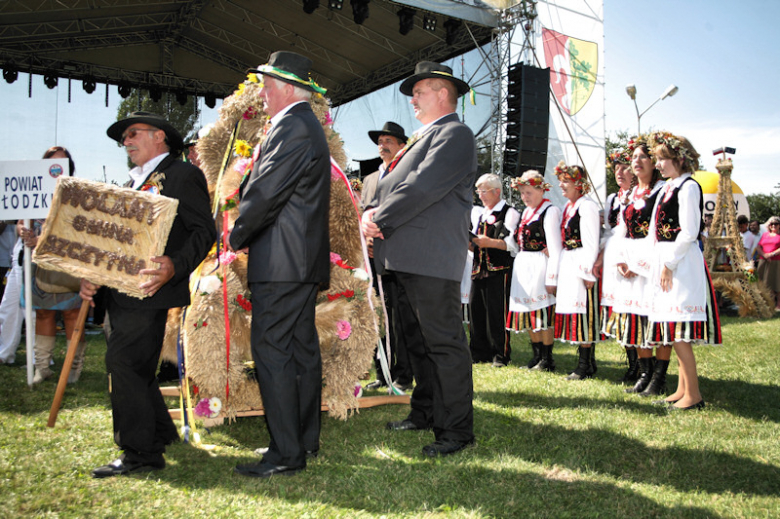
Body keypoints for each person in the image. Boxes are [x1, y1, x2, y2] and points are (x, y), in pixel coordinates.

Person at [80, 111, 215, 477]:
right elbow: (116, 242)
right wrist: (94, 276)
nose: (126, 140)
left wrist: (173, 264)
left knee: (123, 364)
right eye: (124, 136)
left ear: (160, 137)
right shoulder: (131, 184)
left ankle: (141, 453)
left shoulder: (183, 175)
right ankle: (159, 431)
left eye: (134, 133)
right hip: (119, 293)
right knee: (133, 365)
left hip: (149, 291)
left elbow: (204, 232)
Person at [362, 61, 476, 457]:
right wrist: (372, 212)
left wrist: (380, 218)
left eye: (420, 90)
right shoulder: (423, 137)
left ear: (444, 93)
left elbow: (421, 186)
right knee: (420, 343)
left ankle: (456, 429)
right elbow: (394, 185)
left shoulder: (455, 134)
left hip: (429, 258)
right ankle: (425, 412)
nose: (413, 97)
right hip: (405, 257)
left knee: (443, 344)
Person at [228, 51, 331, 478]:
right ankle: (302, 438)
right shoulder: (303, 125)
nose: (263, 95)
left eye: (267, 87)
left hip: (282, 262)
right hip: (298, 261)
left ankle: (286, 453)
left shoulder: (293, 126)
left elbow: (266, 192)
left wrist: (234, 235)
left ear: (288, 88)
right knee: (300, 349)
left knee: (271, 351)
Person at [645, 131, 721, 410]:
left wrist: (668, 264)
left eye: (663, 159)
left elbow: (689, 231)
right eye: (658, 158)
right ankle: (682, 388)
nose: (659, 164)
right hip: (667, 259)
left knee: (679, 332)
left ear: (679, 159)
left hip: (681, 262)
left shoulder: (688, 187)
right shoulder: (668, 187)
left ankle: (695, 395)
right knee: (673, 329)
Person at [20, 146, 86, 384]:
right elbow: (20, 220)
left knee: (72, 313)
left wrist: (44, 240)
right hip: (37, 261)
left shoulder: (77, 193)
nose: (56, 168)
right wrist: (24, 232)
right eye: (51, 163)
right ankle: (41, 367)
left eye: (62, 163)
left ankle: (73, 367)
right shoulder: (33, 187)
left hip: (67, 260)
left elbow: (78, 229)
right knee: (43, 313)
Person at [362, 121, 415, 392]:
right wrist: (367, 236)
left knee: (400, 316)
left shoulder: (408, 174)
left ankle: (404, 374)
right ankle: (382, 371)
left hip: (398, 256)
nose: (383, 146)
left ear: (402, 146)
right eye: (380, 142)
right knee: (377, 315)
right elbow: (363, 212)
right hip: (372, 259)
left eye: (389, 142)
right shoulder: (370, 178)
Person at [614, 138, 669, 396]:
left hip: (652, 261)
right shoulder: (630, 194)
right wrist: (621, 259)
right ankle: (644, 373)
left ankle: (659, 377)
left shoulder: (662, 191)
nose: (636, 161)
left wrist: (639, 263)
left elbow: (658, 232)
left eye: (643, 157)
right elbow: (621, 230)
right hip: (630, 260)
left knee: (656, 319)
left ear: (654, 163)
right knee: (637, 319)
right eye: (634, 157)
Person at [505, 170, 561, 371]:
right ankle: (536, 355)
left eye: (528, 192)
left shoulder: (550, 210)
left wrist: (552, 277)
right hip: (525, 263)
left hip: (540, 264)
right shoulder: (526, 212)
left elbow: (555, 247)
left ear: (540, 190)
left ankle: (547, 358)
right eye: (522, 193)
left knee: (542, 311)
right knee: (528, 311)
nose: (524, 197)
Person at [553, 162, 602, 380]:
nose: (562, 185)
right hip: (570, 261)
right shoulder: (569, 207)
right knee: (576, 309)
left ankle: (584, 364)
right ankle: (587, 362)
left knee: (585, 312)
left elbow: (591, 241)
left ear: (579, 184)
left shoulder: (586, 206)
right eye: (561, 180)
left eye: (567, 181)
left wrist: (588, 272)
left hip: (582, 260)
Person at [469, 174, 520, 367]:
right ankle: (478, 352)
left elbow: (512, 245)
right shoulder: (479, 213)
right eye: (478, 191)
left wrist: (488, 242)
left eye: (484, 191)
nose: (480, 195)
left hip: (499, 269)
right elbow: (475, 241)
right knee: (476, 310)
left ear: (497, 191)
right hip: (478, 268)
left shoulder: (509, 213)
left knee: (497, 313)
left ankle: (500, 354)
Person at [597, 147, 636, 381]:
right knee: (620, 309)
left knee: (635, 308)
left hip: (634, 254)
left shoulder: (642, 196)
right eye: (616, 169)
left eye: (624, 168)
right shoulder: (613, 199)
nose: (619, 173)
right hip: (614, 257)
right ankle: (631, 362)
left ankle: (645, 364)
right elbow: (609, 232)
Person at [0, 222, 26, 365]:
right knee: (8, 308)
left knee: (33, 311)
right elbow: (20, 222)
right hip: (18, 254)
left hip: (38, 253)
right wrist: (21, 229)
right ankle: (5, 354)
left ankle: (39, 359)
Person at [756, 215, 780, 311]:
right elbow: (758, 246)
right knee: (763, 282)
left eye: (776, 224)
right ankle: (767, 303)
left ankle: (778, 304)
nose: (773, 225)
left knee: (776, 282)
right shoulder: (765, 235)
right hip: (763, 261)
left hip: (776, 262)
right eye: (771, 224)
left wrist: (771, 254)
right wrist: (765, 255)